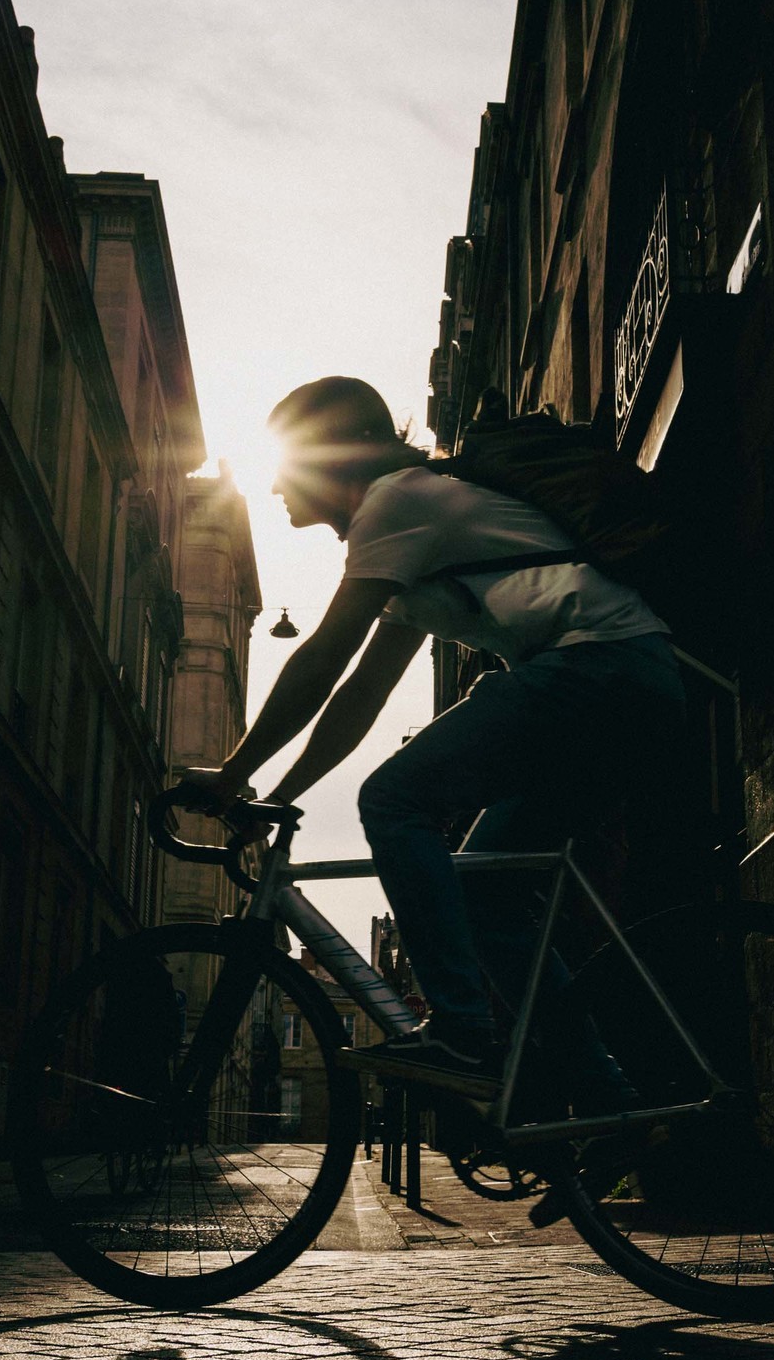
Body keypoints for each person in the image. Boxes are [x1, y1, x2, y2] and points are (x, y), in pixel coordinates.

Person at [187, 376, 685, 1097]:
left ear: (340, 457)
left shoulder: (399, 501)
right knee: (485, 891)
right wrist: (279, 797)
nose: (274, 488)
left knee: (395, 801)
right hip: (620, 681)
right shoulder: (410, 534)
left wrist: (230, 778)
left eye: (288, 465)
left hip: (597, 668)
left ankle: (460, 1031)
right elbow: (361, 694)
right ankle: (601, 1092)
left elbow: (324, 657)